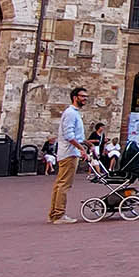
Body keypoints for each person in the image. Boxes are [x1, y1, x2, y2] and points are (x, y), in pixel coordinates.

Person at [50, 87, 87, 224]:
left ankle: (54, 213)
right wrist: (81, 149)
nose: (85, 99)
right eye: (82, 96)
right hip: (69, 153)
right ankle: (59, 215)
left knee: (59, 184)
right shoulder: (71, 113)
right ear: (75, 97)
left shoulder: (73, 113)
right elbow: (69, 135)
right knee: (64, 185)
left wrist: (87, 143)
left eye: (86, 97)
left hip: (68, 152)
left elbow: (76, 135)